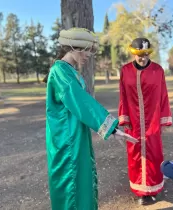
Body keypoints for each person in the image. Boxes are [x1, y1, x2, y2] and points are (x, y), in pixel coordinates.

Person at [44, 27, 137, 210]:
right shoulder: (60, 71)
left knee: (82, 179)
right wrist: (111, 128)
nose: (88, 55)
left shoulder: (68, 70)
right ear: (73, 47)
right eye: (85, 50)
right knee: (71, 183)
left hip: (75, 134)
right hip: (66, 139)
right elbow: (80, 101)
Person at [118, 37, 172, 204]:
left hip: (153, 120)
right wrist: (124, 118)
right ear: (134, 53)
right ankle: (141, 192)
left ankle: (154, 187)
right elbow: (123, 96)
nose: (143, 58)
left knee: (154, 152)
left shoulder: (158, 70)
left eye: (147, 54)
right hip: (133, 121)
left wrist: (163, 120)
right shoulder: (125, 71)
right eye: (140, 55)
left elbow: (163, 95)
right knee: (135, 154)